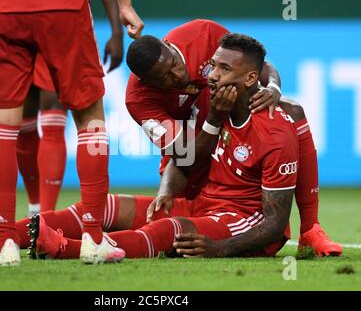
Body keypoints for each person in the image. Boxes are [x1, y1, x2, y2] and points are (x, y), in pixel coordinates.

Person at [0, 34, 302, 259]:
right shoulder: (204, 106)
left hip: (239, 219)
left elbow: (274, 223)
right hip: (201, 198)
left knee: (170, 228)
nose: (209, 75)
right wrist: (169, 187)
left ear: (252, 78)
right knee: (100, 207)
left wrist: (219, 249)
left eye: (221, 70)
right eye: (212, 67)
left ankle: (67, 248)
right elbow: (183, 154)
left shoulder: (273, 129)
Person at [0, 0, 143, 265]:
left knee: (1, 128)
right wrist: (125, 5)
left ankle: (6, 243)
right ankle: (93, 239)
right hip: (64, 5)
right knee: (90, 121)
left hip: (3, 8)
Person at [125, 20, 342, 256]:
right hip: (190, 150)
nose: (177, 76)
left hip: (220, 123)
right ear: (147, 83)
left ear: (169, 45)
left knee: (292, 110)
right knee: (170, 229)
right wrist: (213, 120)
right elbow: (184, 156)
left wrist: (272, 89)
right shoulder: (139, 99)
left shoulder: (203, 34)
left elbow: (258, 66)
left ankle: (311, 229)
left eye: (174, 65)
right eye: (164, 78)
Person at [0, 0, 124, 216]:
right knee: (25, 123)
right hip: (60, 11)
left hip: (8, 11)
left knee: (43, 115)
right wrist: (120, 21)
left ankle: (42, 215)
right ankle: (38, 211)